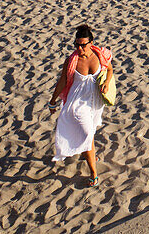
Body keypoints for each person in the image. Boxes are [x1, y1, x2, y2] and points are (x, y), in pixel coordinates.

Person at [49, 24, 113, 187]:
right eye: (76, 44)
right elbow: (62, 80)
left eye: (83, 44)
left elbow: (110, 70)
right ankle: (93, 173)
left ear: (91, 43)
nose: (79, 48)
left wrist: (106, 82)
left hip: (94, 101)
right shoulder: (72, 60)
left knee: (90, 131)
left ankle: (90, 154)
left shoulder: (100, 55)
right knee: (86, 135)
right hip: (77, 103)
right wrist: (53, 100)